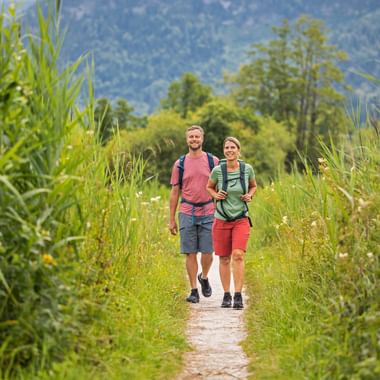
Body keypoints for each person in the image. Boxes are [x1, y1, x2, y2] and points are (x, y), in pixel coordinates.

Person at [169, 125, 219, 303]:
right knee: (190, 253)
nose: (194, 139)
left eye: (197, 136)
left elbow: (220, 188)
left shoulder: (214, 161)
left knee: (208, 252)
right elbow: (175, 192)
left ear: (202, 139)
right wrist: (171, 220)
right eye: (191, 137)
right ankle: (193, 290)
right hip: (186, 212)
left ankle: (204, 277)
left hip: (209, 212)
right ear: (187, 139)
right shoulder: (180, 164)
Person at [206, 137, 257, 309]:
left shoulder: (247, 169)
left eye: (232, 147)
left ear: (238, 150)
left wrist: (250, 195)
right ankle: (226, 294)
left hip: (241, 219)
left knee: (238, 255)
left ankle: (238, 295)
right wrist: (215, 195)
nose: (229, 150)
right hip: (221, 218)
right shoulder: (218, 170)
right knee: (224, 258)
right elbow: (209, 187)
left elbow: (253, 186)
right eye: (226, 147)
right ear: (224, 150)